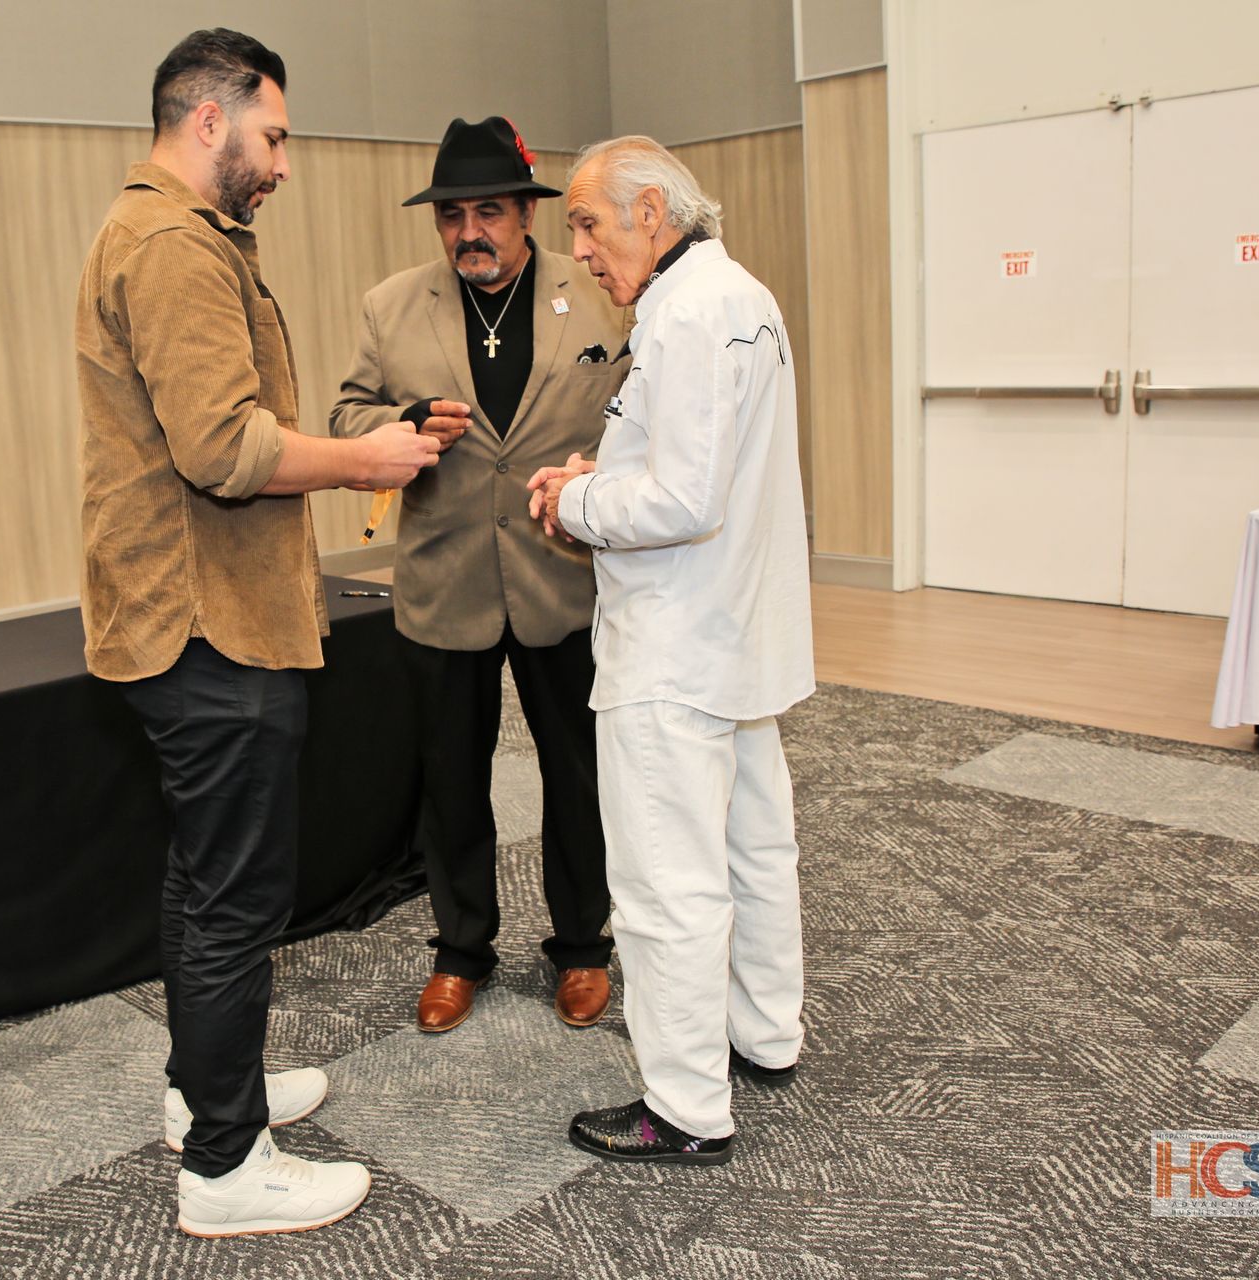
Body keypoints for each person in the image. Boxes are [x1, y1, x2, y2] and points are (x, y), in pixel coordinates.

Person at [75, 28, 440, 1236]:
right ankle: (226, 1169)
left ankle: (204, 1091)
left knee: (201, 879)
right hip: (206, 625)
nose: (284, 161)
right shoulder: (173, 244)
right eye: (274, 135)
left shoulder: (169, 234)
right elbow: (224, 449)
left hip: (195, 616)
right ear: (208, 121)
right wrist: (363, 459)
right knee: (234, 897)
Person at [527, 136, 813, 1165]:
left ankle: (685, 1105)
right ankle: (763, 1032)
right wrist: (602, 471)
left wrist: (575, 497)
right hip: (736, 630)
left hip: (677, 641)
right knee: (753, 842)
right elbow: (699, 462)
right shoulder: (741, 294)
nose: (580, 248)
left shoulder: (685, 313)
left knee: (663, 882)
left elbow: (685, 497)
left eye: (588, 222)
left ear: (651, 213)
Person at [330, 117, 624, 1035]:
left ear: (526, 214)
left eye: (488, 212)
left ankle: (582, 945)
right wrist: (400, 423)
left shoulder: (601, 295)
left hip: (562, 578)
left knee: (577, 775)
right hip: (443, 579)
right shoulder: (391, 306)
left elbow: (638, 418)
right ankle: (462, 951)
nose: (469, 233)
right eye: (452, 216)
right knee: (451, 778)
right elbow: (346, 419)